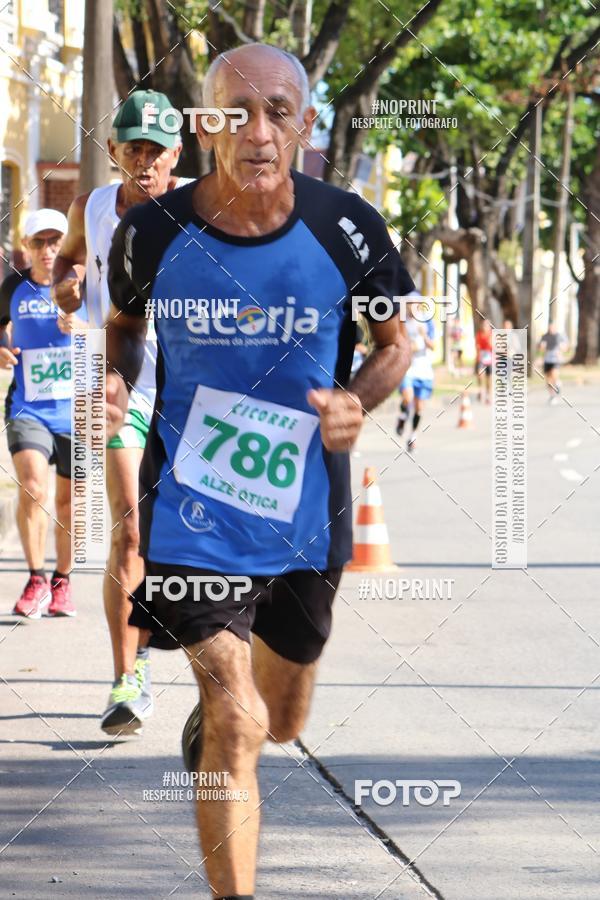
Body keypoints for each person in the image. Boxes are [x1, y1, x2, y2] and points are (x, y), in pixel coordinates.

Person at [105, 43, 413, 900]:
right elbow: (126, 326)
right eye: (235, 112)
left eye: (279, 111)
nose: (258, 130)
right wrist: (118, 374)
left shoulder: (347, 227)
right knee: (238, 722)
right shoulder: (150, 233)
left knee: (278, 719)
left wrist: (358, 398)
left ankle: (221, 715)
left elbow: (396, 348)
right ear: (205, 125)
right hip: (192, 509)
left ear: (306, 125)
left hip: (306, 511)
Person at [52, 90, 194, 735]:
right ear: (113, 151)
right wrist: (65, 278)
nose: (143, 160)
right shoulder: (93, 204)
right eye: (132, 147)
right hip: (118, 378)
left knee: (195, 534)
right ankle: (127, 681)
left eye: (155, 150)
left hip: (196, 384)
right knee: (131, 529)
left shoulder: (206, 207)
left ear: (176, 154)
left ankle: (216, 667)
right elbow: (70, 253)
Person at [0, 209, 85, 618]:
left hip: (77, 410)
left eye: (56, 242)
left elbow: (119, 332)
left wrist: (82, 330)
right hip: (27, 407)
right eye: (39, 242)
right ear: (26, 247)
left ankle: (62, 581)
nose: (48, 250)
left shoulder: (84, 286)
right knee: (34, 487)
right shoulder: (13, 287)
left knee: (69, 502)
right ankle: (36, 579)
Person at [395, 301, 435, 451]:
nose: (411, 306)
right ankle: (403, 417)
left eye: (414, 303)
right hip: (408, 367)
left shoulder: (426, 321)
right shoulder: (401, 321)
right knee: (407, 397)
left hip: (423, 369)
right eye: (408, 303)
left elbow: (433, 346)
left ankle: (412, 436)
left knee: (419, 407)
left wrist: (424, 336)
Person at [538, 322, 568, 404]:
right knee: (548, 379)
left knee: (554, 375)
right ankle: (552, 396)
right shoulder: (545, 336)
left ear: (555, 328)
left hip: (555, 359)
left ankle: (557, 383)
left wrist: (561, 349)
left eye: (552, 327)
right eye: (549, 327)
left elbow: (565, 347)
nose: (551, 329)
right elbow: (540, 348)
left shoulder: (559, 336)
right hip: (547, 359)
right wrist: (541, 351)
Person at [475, 319, 493, 403]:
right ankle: (481, 391)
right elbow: (478, 346)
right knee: (480, 374)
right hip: (481, 358)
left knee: (489, 378)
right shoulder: (479, 334)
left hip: (490, 358)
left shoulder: (492, 335)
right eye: (484, 325)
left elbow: (493, 346)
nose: (485, 327)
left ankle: (488, 395)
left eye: (486, 325)